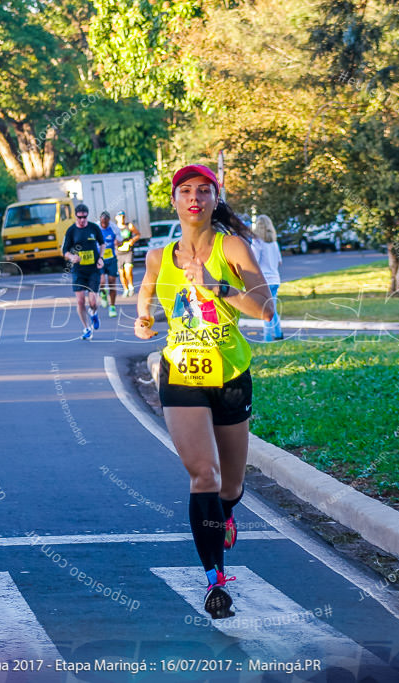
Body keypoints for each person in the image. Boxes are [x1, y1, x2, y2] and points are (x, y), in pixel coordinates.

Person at [134, 165, 274, 619]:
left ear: (215, 198)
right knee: (205, 478)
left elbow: (266, 308)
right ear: (174, 201)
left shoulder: (232, 246)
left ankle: (226, 515)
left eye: (204, 190)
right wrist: (143, 318)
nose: (194, 198)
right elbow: (147, 293)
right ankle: (215, 580)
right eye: (185, 191)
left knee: (231, 485)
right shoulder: (158, 256)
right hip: (182, 375)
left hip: (231, 375)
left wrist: (216, 286)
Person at [61, 203, 104, 340]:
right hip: (79, 271)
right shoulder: (71, 231)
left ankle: (93, 313)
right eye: (79, 217)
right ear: (75, 216)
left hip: (93, 270)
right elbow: (64, 251)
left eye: (84, 217)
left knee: (93, 302)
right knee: (80, 301)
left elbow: (102, 243)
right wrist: (72, 257)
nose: (82, 220)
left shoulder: (93, 228)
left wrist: (101, 258)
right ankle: (86, 328)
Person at [250, 215, 283, 341]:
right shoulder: (274, 243)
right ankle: (278, 333)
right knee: (272, 308)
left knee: (266, 311)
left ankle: (268, 338)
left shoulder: (257, 242)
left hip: (264, 281)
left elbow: (254, 261)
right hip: (275, 279)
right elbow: (280, 261)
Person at [96, 211, 121, 317]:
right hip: (100, 259)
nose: (104, 225)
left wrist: (118, 242)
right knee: (101, 281)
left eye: (106, 223)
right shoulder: (95, 227)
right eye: (102, 223)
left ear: (109, 220)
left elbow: (120, 241)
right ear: (100, 220)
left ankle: (112, 306)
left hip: (111, 259)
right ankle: (103, 294)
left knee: (112, 282)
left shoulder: (114, 228)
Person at [115, 211, 139, 297]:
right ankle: (125, 289)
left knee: (128, 271)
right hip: (118, 253)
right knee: (122, 273)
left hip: (128, 252)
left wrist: (132, 240)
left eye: (123, 217)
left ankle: (131, 286)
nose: (121, 218)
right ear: (116, 218)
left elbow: (138, 234)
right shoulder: (114, 228)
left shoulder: (129, 226)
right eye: (120, 216)